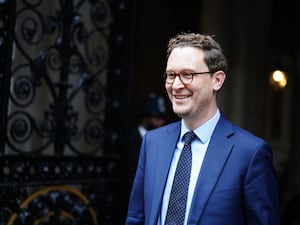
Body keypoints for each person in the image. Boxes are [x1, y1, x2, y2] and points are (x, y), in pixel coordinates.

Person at [125, 32, 280, 225]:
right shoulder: (152, 142)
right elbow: (136, 218)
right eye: (171, 75)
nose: (176, 85)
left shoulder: (250, 154)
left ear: (217, 80)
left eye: (187, 75)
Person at [128, 92, 167, 192]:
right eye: (157, 118)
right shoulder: (130, 140)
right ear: (145, 117)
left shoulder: (163, 142)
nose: (161, 122)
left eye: (163, 118)